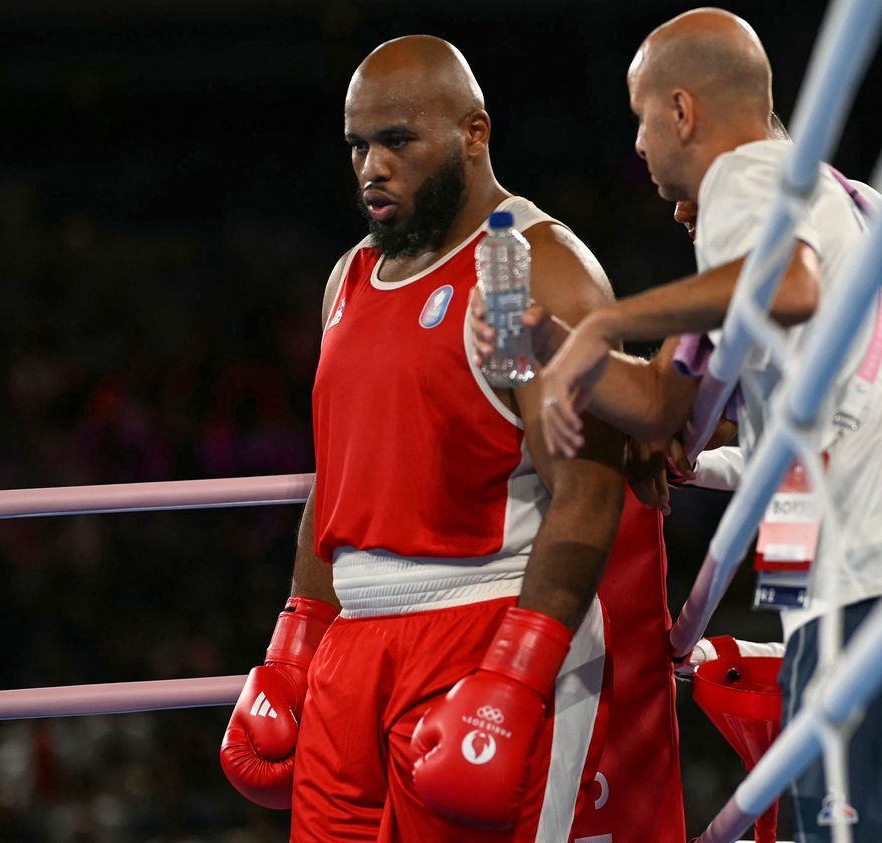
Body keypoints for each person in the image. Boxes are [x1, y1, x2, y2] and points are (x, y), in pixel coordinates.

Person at [483, 9, 882, 842]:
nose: (635, 146)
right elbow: (667, 402)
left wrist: (600, 323)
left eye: (639, 118)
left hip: (872, 595)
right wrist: (551, 339)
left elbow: (786, 285)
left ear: (683, 112)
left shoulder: (749, 179)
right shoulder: (856, 205)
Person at [217, 35, 637, 842]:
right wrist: (295, 643)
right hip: (352, 650)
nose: (372, 166)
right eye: (357, 145)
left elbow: (586, 486)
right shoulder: (350, 277)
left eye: (397, 141)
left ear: (474, 133)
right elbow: (335, 478)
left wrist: (516, 672)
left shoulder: (529, 268)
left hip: (486, 621)